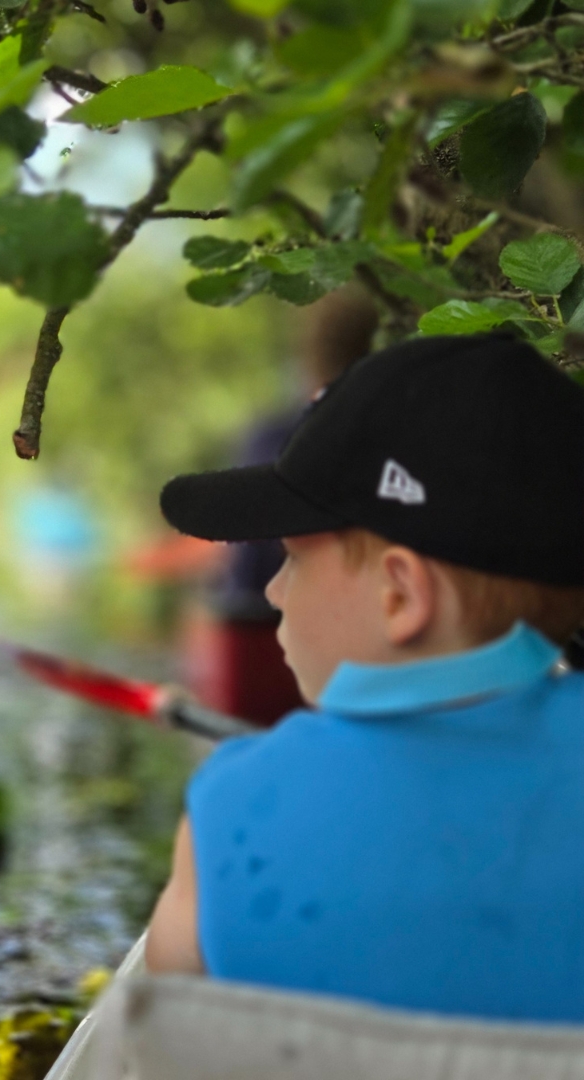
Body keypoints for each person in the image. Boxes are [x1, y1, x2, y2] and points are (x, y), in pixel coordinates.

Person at [144, 333, 584, 1022]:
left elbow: (159, 1032)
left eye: (294, 558)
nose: (273, 592)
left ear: (399, 595)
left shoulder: (228, 808)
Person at [194, 287, 380, 725]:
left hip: (258, 641)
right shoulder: (392, 435)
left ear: (307, 354)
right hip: (360, 646)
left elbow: (240, 560)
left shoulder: (267, 438)